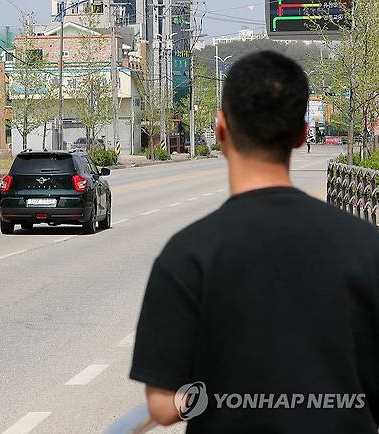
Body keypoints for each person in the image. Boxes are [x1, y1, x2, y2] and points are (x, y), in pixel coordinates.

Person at [130, 51, 379, 433]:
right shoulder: (366, 245)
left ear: (221, 129)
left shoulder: (187, 254)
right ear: (300, 134)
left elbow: (162, 406)